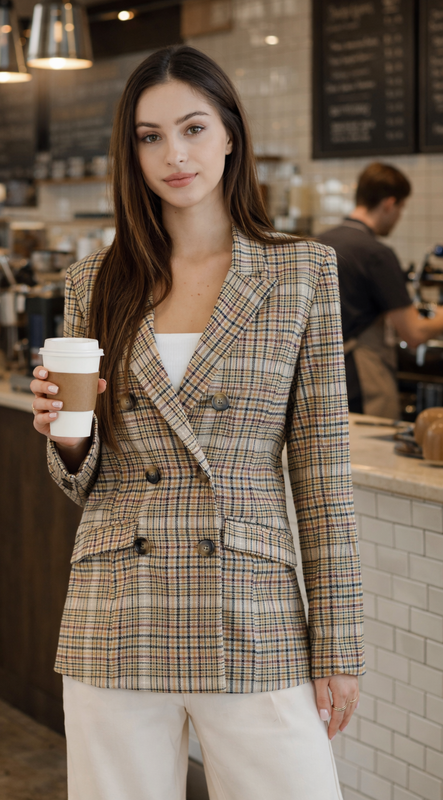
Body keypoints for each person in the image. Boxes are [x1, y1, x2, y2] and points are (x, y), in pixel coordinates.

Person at [30, 46, 364, 800]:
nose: (172, 154)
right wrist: (66, 434)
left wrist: (338, 644)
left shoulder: (299, 274)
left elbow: (321, 476)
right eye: (149, 136)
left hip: (251, 606)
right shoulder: (95, 281)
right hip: (115, 605)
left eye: (191, 128)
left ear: (229, 135)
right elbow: (82, 480)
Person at [320, 162, 443, 419]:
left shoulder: (318, 241)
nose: (399, 216)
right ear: (389, 203)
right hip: (360, 380)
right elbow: (414, 333)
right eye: (401, 208)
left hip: (319, 376)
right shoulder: (377, 254)